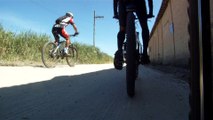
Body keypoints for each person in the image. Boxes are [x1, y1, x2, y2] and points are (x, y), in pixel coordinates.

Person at [113, 0, 154, 70]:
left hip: (123, 3)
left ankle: (120, 52)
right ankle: (144, 54)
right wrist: (150, 12)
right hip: (139, 3)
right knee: (144, 28)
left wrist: (116, 13)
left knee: (122, 29)